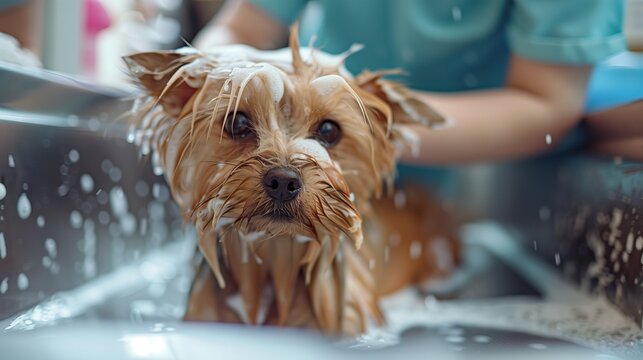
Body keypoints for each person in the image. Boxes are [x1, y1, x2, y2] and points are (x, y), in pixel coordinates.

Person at [192, 0, 627, 167]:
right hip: (303, 154)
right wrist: (211, 65)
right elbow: (243, 26)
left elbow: (547, 104)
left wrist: (366, 122)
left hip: (484, 182)